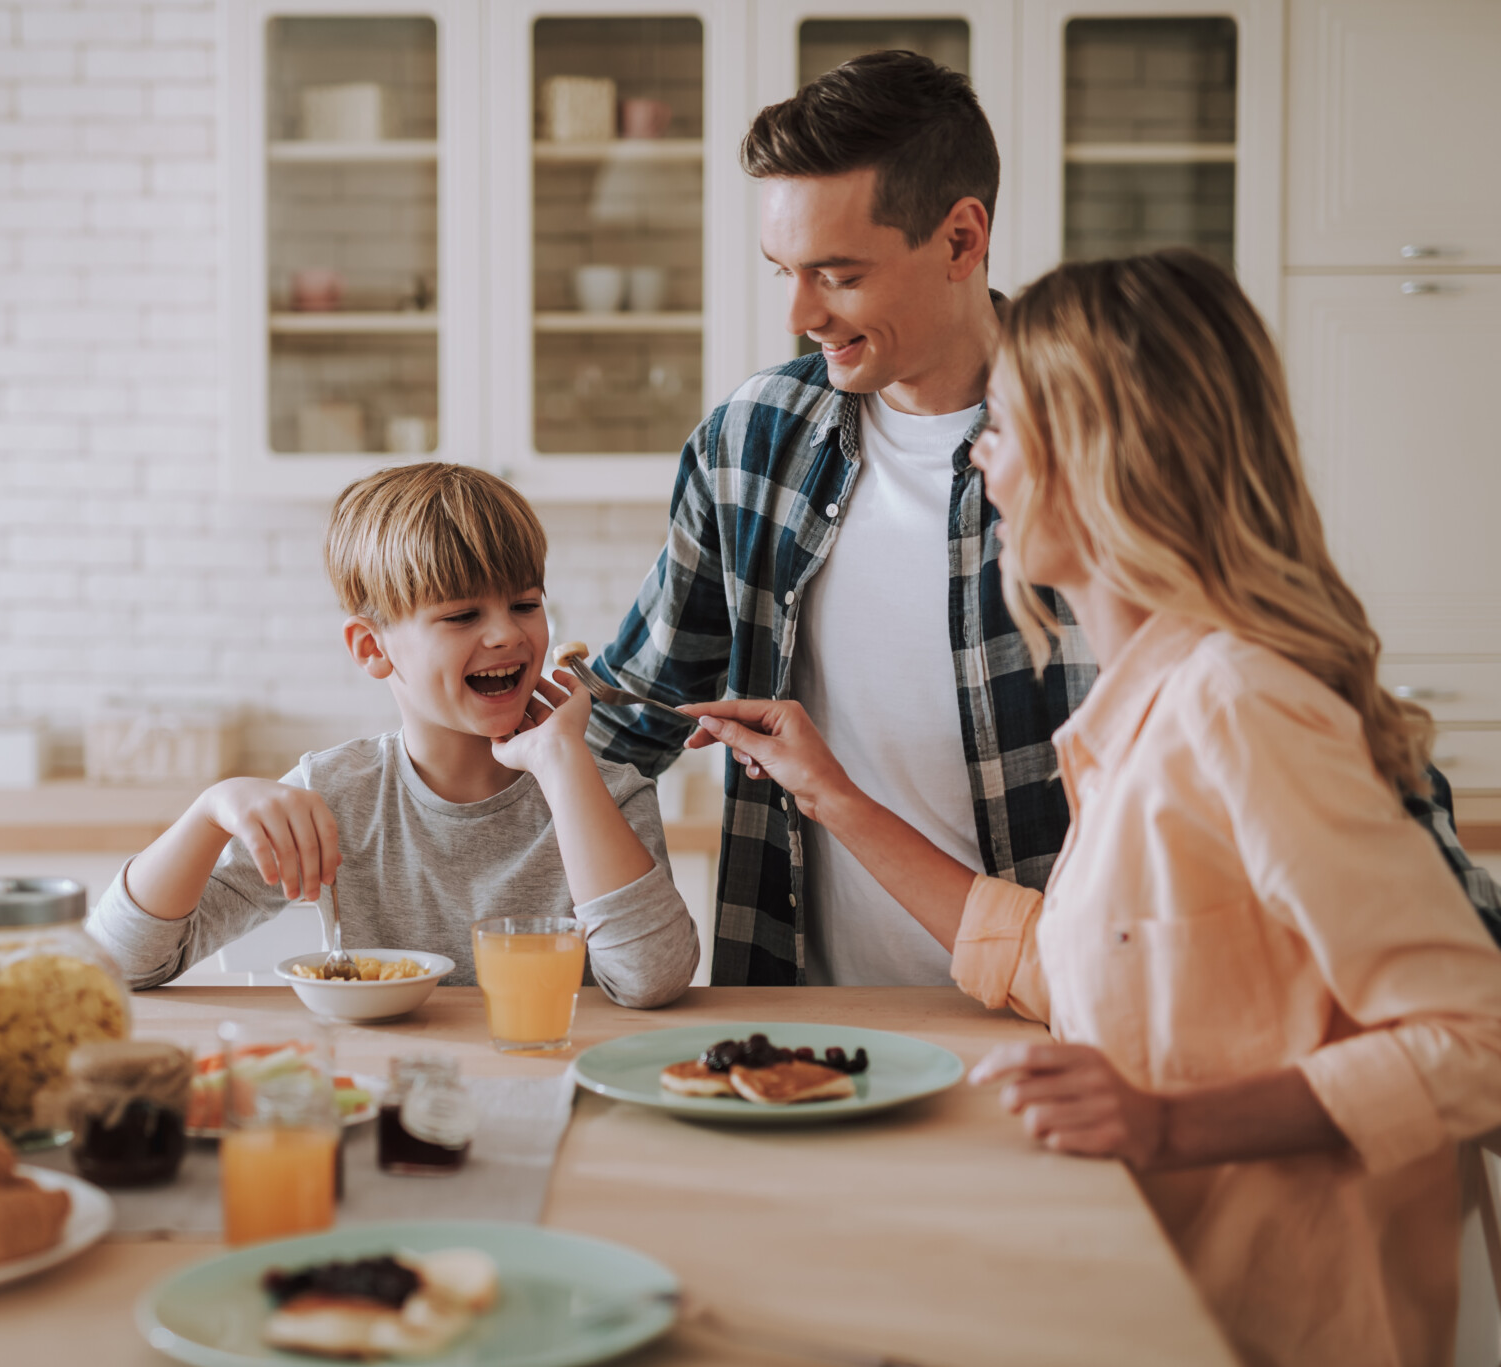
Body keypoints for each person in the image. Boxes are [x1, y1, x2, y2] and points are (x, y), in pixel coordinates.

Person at [685, 251, 1501, 1367]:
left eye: (1004, 431)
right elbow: (1071, 968)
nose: (981, 464)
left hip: (1274, 1322)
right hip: (1145, 1281)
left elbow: (1476, 1039)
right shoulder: (1142, 711)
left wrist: (1166, 1121)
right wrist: (832, 796)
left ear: (1099, 461)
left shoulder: (1235, 703)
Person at [587, 48, 1499, 985]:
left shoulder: (1098, 443)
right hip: (821, 1038)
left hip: (1079, 1033)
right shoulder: (753, 440)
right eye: (783, 268)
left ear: (959, 238)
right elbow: (621, 725)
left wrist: (1449, 971)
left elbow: (1320, 710)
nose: (799, 312)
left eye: (838, 273)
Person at [87, 462, 698, 1007]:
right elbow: (119, 964)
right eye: (462, 615)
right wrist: (210, 810)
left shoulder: (608, 795)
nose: (507, 635)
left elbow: (651, 980)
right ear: (372, 647)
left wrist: (563, 763)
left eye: (525, 604)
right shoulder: (334, 794)